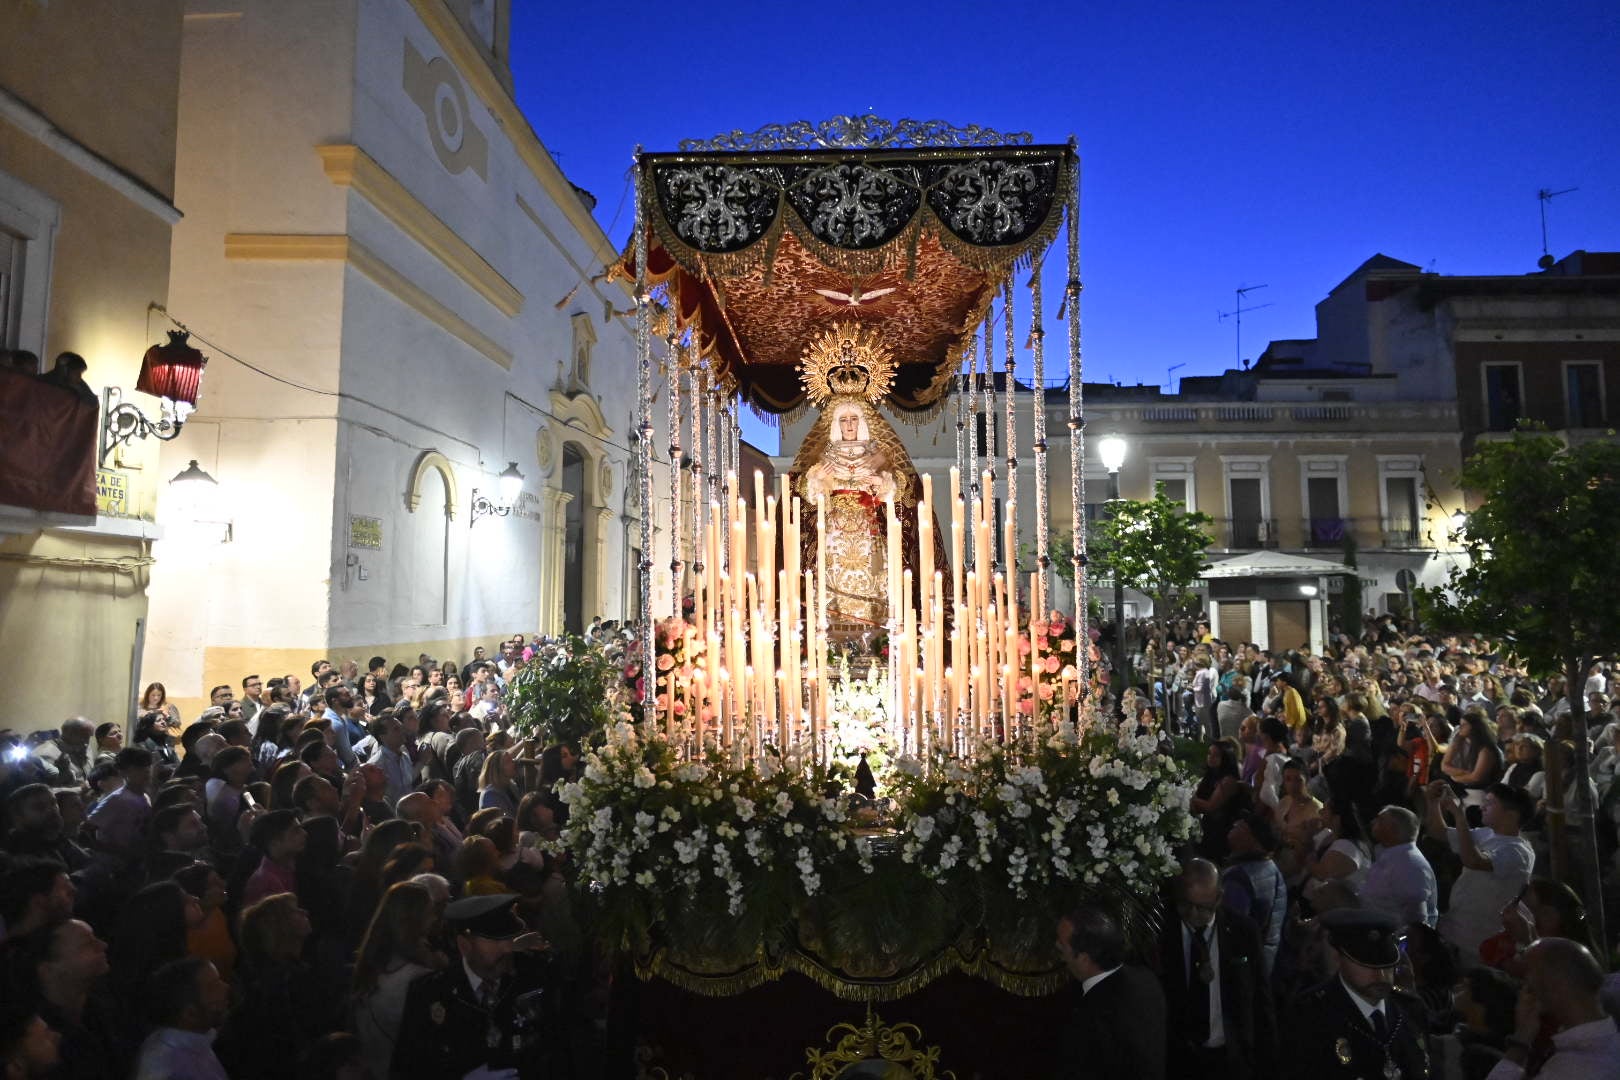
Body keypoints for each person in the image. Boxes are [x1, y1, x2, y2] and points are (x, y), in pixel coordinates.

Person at [392, 893, 567, 1079]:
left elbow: (559, 1054)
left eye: (510, 939)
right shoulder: (429, 993)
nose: (507, 949)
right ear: (464, 945)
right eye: (496, 941)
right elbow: (406, 1070)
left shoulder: (535, 977)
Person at [1154, 858, 1275, 1080]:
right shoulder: (1160, 930)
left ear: (1219, 898)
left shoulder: (1243, 931)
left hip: (1229, 1057)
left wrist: (1265, 1063)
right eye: (1184, 904)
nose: (1192, 914)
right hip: (1176, 1058)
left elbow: (1260, 997)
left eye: (1202, 907)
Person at [1281, 909, 1430, 1080]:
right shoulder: (1309, 1015)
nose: (1380, 976)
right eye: (1367, 965)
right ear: (1339, 958)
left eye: (1386, 964)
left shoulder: (1410, 1008)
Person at [1425, 781, 1535, 965]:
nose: (1482, 807)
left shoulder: (1518, 852)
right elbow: (1439, 833)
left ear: (1511, 814)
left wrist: (1459, 815)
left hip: (1477, 940)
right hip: (1456, 926)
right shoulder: (1488, 834)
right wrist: (1433, 802)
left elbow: (1473, 860)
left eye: (1490, 803)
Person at [1055, 903, 1166, 1080]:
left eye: (1062, 949)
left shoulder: (1089, 1017)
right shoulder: (1146, 978)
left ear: (1084, 959)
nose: (1060, 955)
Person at [351, 882, 447, 1080]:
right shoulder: (417, 978)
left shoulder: (373, 965)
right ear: (414, 919)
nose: (435, 918)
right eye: (429, 912)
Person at [1485, 938, 1620, 1079]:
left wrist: (1520, 1041)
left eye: (1526, 976)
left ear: (1553, 986)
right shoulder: (1606, 1044)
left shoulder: (1577, 1070)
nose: (1523, 987)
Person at [132, 957, 231, 1080]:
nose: (226, 987)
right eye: (212, 987)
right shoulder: (171, 1069)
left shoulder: (193, 1039)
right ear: (190, 1014)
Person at [1221, 814, 1286, 977]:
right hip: (1263, 960)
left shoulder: (1240, 878)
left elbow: (1231, 928)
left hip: (1244, 968)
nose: (1234, 826)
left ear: (1254, 840)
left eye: (1240, 826)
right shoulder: (1271, 867)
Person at [1357, 806, 1437, 928]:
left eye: (1380, 820)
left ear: (1394, 828)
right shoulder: (1392, 854)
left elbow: (1416, 922)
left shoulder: (1410, 864)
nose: (1373, 822)